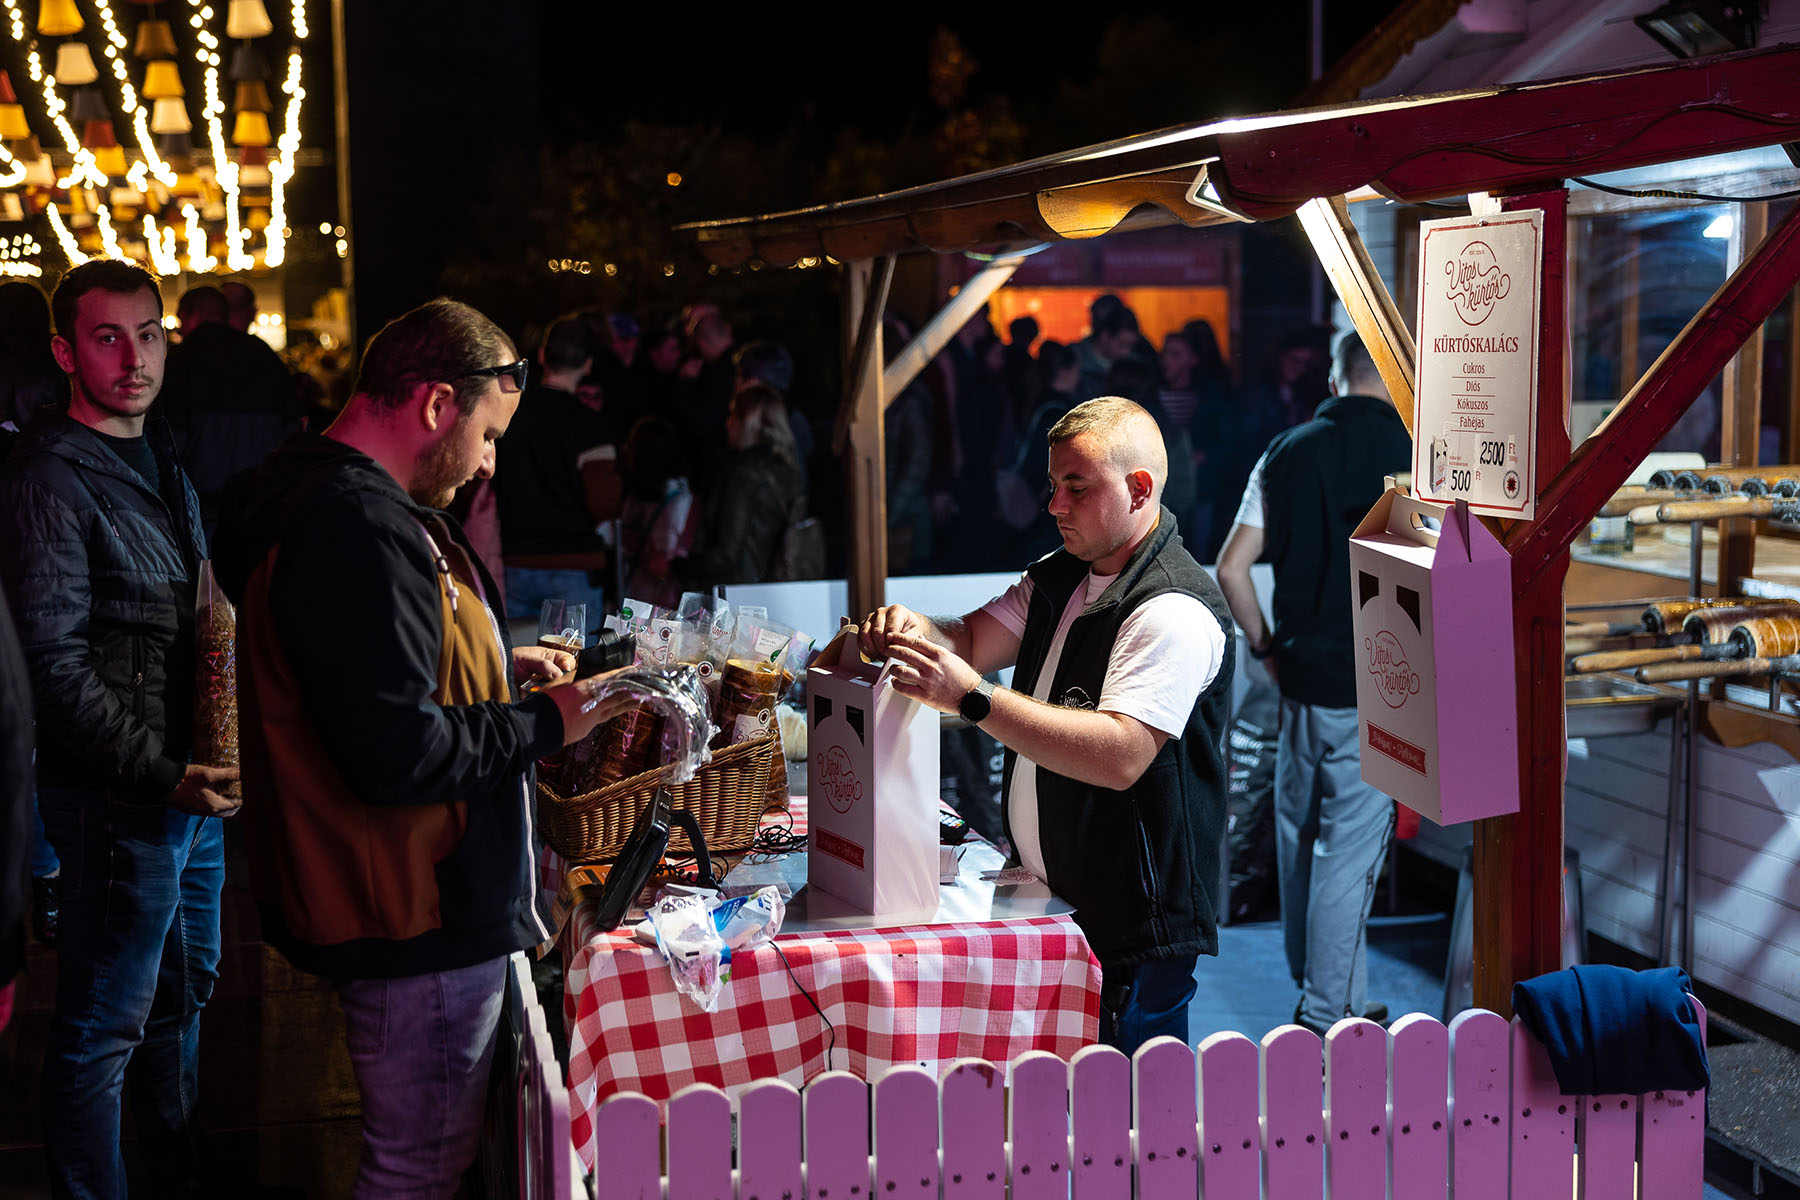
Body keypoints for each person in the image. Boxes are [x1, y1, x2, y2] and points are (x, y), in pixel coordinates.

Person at [211, 298, 625, 1197]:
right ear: (437, 404)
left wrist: (492, 667)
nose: (488, 463)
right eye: (488, 435)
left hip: (400, 898)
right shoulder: (353, 526)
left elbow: (377, 678)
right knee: (417, 1168)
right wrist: (554, 720)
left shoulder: (337, 505)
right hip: (411, 909)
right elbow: (397, 750)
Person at [856, 396, 1234, 1053]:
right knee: (1063, 1100)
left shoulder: (1172, 608)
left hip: (1133, 925)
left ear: (1139, 489)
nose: (1055, 505)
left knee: (1130, 1105)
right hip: (1060, 901)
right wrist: (912, 628)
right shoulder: (1063, 575)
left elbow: (1120, 755)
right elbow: (970, 640)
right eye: (1053, 485)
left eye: (1077, 487)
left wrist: (973, 699)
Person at [0, 258, 239, 1197]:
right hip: (118, 796)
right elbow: (52, 664)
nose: (134, 358)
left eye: (148, 335)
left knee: (184, 993)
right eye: (108, 338)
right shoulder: (48, 476)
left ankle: (176, 1173)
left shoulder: (160, 452)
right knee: (103, 1024)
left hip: (187, 789)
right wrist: (160, 771)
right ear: (66, 352)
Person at [1214, 330, 1411, 1037]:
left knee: (1298, 833)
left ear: (1333, 380)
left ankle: (1332, 986)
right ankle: (1328, 1010)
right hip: (1382, 687)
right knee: (1348, 851)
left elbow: (1230, 568)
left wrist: (1266, 647)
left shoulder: (1283, 452)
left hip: (1297, 681)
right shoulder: (1420, 458)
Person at [494, 313, 618, 622]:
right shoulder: (589, 424)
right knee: (572, 653)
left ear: (541, 356)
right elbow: (603, 501)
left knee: (513, 651)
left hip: (514, 560)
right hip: (574, 563)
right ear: (587, 365)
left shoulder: (509, 414)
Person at [159, 283, 302, 539]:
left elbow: (171, 439)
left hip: (202, 498)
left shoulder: (180, 363)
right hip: (261, 494)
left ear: (195, 315)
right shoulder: (264, 356)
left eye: (180, 319)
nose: (179, 329)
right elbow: (292, 425)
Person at [679, 382, 807, 588]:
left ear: (745, 422)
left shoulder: (742, 473)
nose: (727, 423)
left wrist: (678, 568)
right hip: (774, 588)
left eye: (732, 416)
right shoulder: (788, 470)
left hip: (735, 591)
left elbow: (727, 554)